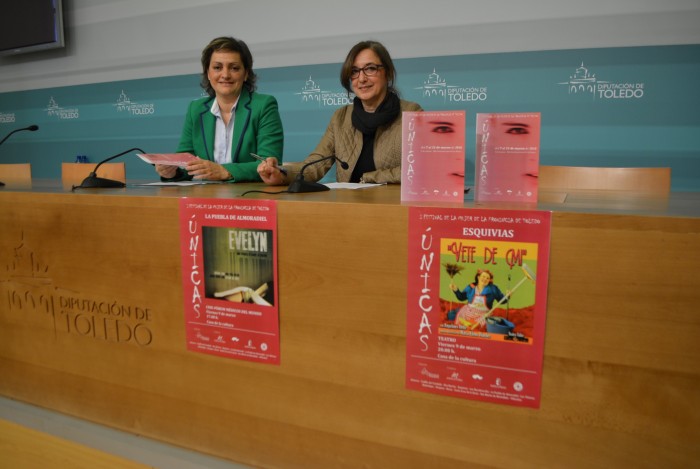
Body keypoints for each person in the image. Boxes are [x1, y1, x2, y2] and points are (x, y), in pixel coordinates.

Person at [257, 40, 421, 185]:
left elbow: (421, 168)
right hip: (347, 208)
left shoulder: (412, 113)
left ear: (388, 73)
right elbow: (315, 165)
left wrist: (371, 177)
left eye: (370, 69)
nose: (361, 79)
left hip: (393, 209)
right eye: (354, 71)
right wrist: (282, 172)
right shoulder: (341, 117)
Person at [156, 36, 283, 182]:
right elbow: (186, 163)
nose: (225, 75)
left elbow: (270, 165)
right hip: (207, 198)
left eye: (234, 68)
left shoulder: (264, 105)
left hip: (249, 198)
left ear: (246, 73)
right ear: (208, 73)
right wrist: (172, 172)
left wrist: (224, 171)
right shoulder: (196, 109)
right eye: (217, 67)